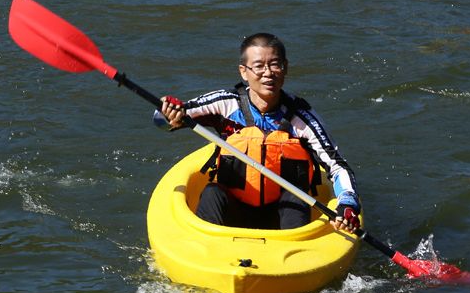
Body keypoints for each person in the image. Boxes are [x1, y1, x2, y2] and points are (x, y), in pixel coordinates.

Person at [155, 33, 361, 233]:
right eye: (259, 66)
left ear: (285, 67)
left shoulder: (302, 118)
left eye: (275, 64)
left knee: (296, 197)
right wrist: (167, 113)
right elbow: (165, 121)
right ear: (244, 72)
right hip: (234, 208)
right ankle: (204, 248)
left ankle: (290, 262)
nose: (268, 73)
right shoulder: (224, 103)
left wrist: (348, 205)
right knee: (212, 192)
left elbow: (338, 166)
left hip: (284, 215)